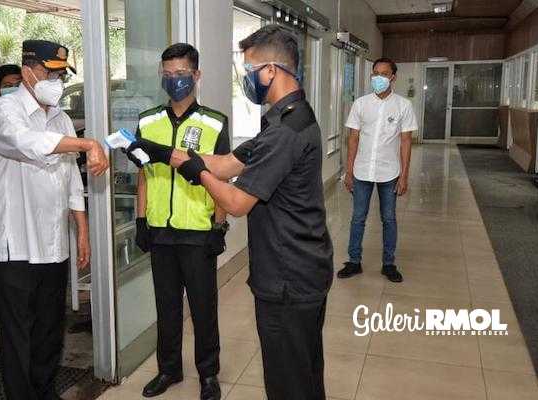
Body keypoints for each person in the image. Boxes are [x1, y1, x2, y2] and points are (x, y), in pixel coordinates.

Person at [127, 25, 333, 400]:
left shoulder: (286, 131)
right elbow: (225, 164)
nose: (245, 78)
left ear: (269, 71)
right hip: (294, 268)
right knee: (301, 371)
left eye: (249, 69)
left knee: (289, 381)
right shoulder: (283, 119)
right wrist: (163, 153)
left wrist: (198, 174)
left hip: (289, 275)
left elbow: (236, 203)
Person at [0, 40, 108, 400]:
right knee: (18, 334)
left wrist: (82, 230)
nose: (57, 81)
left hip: (52, 243)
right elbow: (27, 142)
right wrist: (87, 144)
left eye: (61, 74)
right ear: (28, 72)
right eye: (50, 73)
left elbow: (71, 182)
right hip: (15, 245)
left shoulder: (61, 118)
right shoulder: (4, 110)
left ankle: (45, 391)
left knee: (50, 328)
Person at [135, 43, 229, 400]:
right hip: (160, 230)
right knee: (167, 307)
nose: (174, 80)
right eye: (168, 74)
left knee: (204, 308)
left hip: (198, 231)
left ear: (196, 75)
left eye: (181, 73)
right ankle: (169, 370)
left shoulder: (214, 122)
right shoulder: (148, 120)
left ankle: (208, 374)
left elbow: (222, 179)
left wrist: (219, 225)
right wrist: (141, 220)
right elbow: (144, 175)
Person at [337, 58, 416, 283]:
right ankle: (354, 261)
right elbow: (353, 139)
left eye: (383, 74)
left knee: (389, 219)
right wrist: (349, 171)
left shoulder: (403, 106)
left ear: (393, 77)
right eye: (375, 73)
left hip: (389, 172)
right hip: (362, 171)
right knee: (357, 218)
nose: (378, 78)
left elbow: (406, 142)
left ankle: (388, 264)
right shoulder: (360, 104)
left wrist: (404, 176)